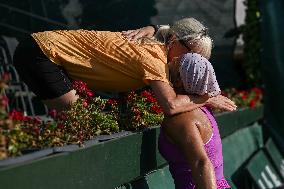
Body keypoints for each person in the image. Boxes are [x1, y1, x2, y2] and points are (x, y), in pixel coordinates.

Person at [13, 17, 235, 188]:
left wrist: (153, 27)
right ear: (175, 43)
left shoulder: (161, 44)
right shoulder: (154, 56)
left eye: (198, 59)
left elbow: (172, 31)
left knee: (90, 122)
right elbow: (171, 106)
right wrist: (206, 97)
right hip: (40, 52)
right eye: (191, 54)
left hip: (42, 49)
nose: (190, 61)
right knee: (88, 123)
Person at [123, 19, 231, 188]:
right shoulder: (203, 108)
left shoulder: (180, 118)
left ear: (181, 80)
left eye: (177, 63)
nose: (170, 62)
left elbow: (201, 163)